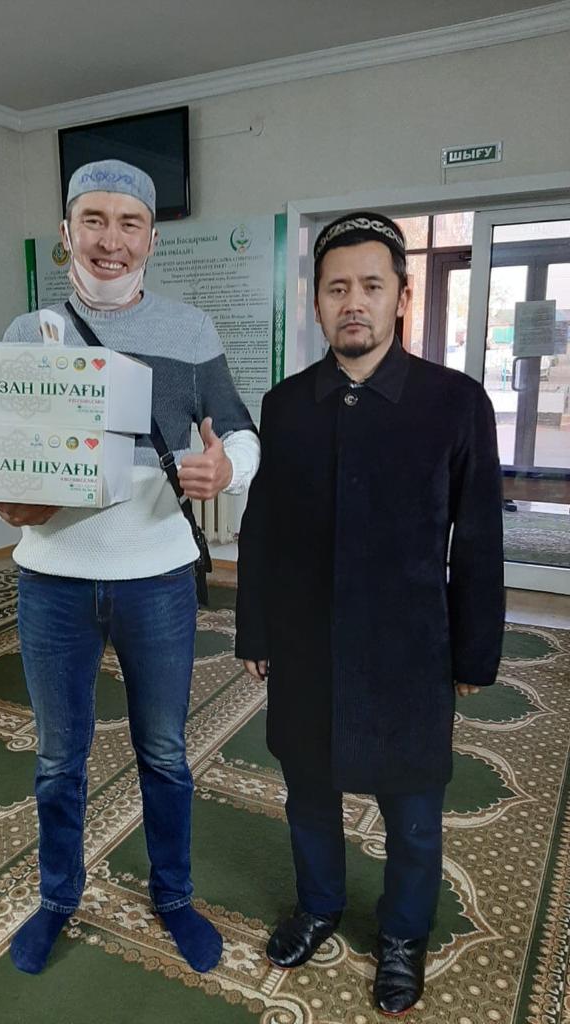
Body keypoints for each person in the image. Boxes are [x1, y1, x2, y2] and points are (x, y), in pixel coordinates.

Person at [0, 159, 260, 975]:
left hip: (158, 579)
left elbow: (239, 429)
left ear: (151, 238)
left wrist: (228, 470)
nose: (111, 240)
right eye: (94, 220)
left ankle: (173, 896)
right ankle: (57, 898)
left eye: (129, 223)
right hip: (52, 579)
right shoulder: (26, 334)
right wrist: (4, 504)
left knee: (166, 753)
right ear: (66, 233)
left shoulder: (191, 330)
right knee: (57, 759)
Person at [235, 212, 504, 1015]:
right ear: (317, 302)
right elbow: (263, 528)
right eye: (337, 288)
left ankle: (403, 934)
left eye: (371, 286)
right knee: (308, 793)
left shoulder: (454, 403)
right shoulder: (286, 405)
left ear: (401, 298)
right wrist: (256, 628)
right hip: (306, 642)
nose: (353, 302)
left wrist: (473, 652)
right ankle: (319, 905)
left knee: (414, 811)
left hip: (408, 647)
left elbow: (478, 536)